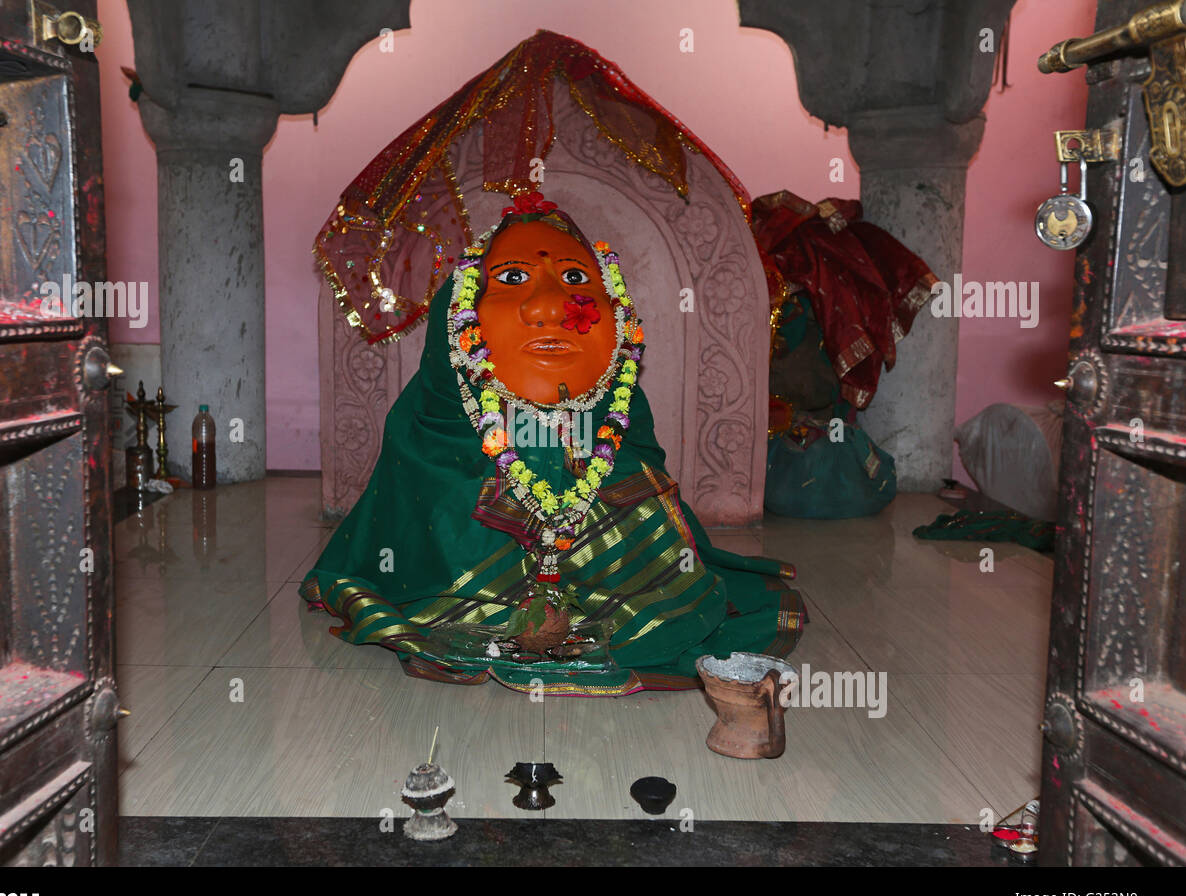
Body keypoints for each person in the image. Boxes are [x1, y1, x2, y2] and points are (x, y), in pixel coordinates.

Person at [300, 192, 806, 697]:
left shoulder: (622, 454)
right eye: (513, 279)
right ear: (454, 323)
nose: (550, 306)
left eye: (576, 279)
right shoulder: (431, 450)